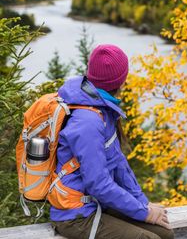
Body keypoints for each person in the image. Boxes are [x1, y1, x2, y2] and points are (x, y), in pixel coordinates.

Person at [51, 44, 174, 239]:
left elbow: (118, 163)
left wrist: (143, 203)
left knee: (165, 234)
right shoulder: (88, 122)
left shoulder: (102, 108)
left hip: (97, 203)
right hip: (75, 214)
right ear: (121, 80)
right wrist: (144, 213)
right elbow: (98, 183)